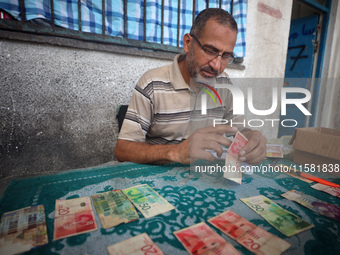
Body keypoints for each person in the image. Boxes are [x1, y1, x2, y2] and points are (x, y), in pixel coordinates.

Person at [115, 8, 267, 165]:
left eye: (226, 56)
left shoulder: (224, 85)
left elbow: (240, 131)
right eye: (209, 50)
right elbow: (123, 149)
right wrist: (175, 152)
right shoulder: (152, 84)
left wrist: (251, 138)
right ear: (188, 43)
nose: (216, 66)